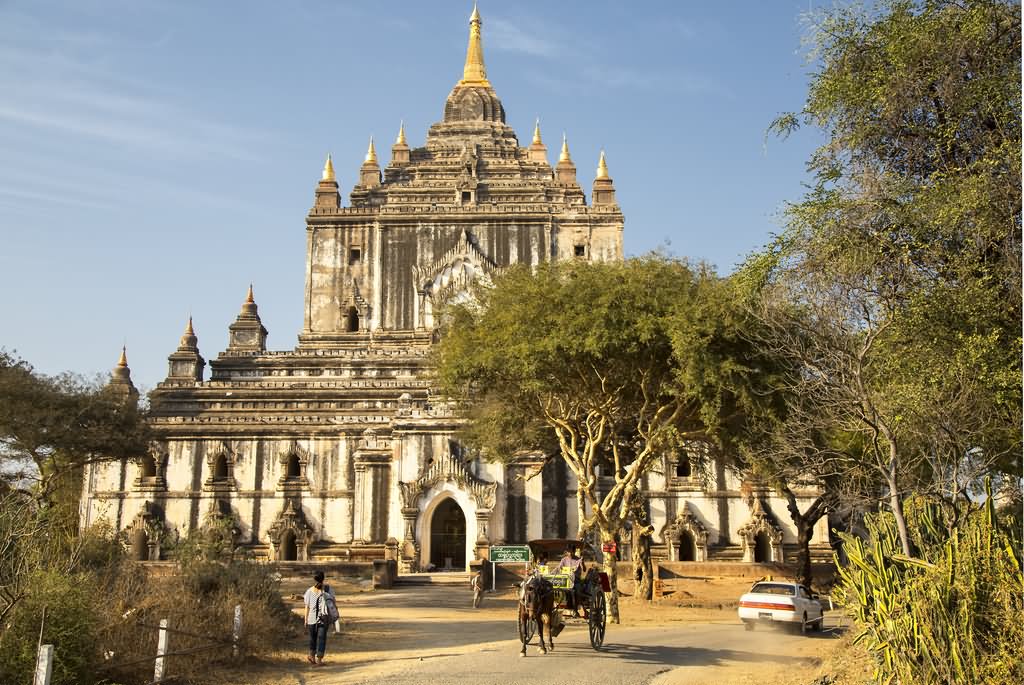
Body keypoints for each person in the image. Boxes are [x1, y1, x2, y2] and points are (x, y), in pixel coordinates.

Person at [303, 571, 335, 665]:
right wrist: (334, 618)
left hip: (312, 619)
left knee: (313, 638)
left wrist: (305, 619)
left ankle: (312, 657)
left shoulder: (309, 591)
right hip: (324, 618)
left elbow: (307, 606)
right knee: (322, 638)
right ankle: (319, 659)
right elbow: (333, 603)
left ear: (314, 579)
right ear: (323, 579)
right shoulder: (329, 589)